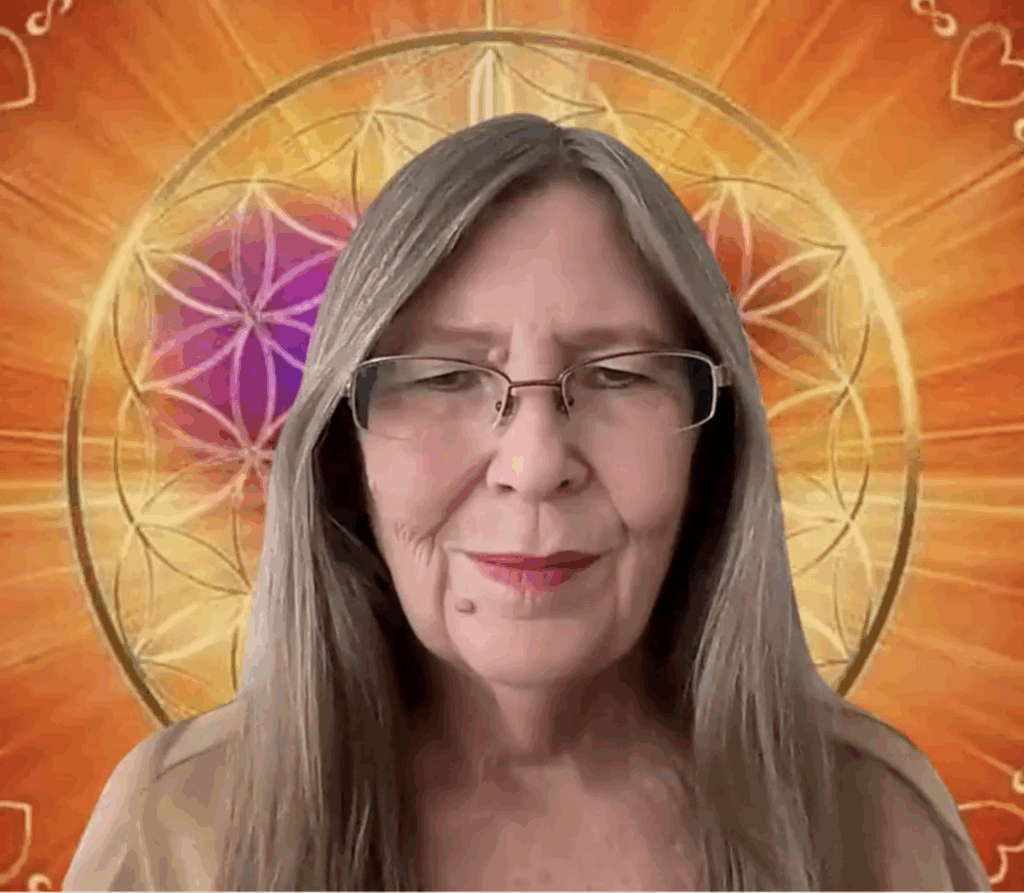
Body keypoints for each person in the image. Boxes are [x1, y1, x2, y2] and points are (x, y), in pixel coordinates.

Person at [63, 114, 989, 892]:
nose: (535, 463)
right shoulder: (175, 834)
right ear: (345, 453)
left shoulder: (877, 827)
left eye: (619, 374)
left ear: (712, 445)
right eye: (443, 376)